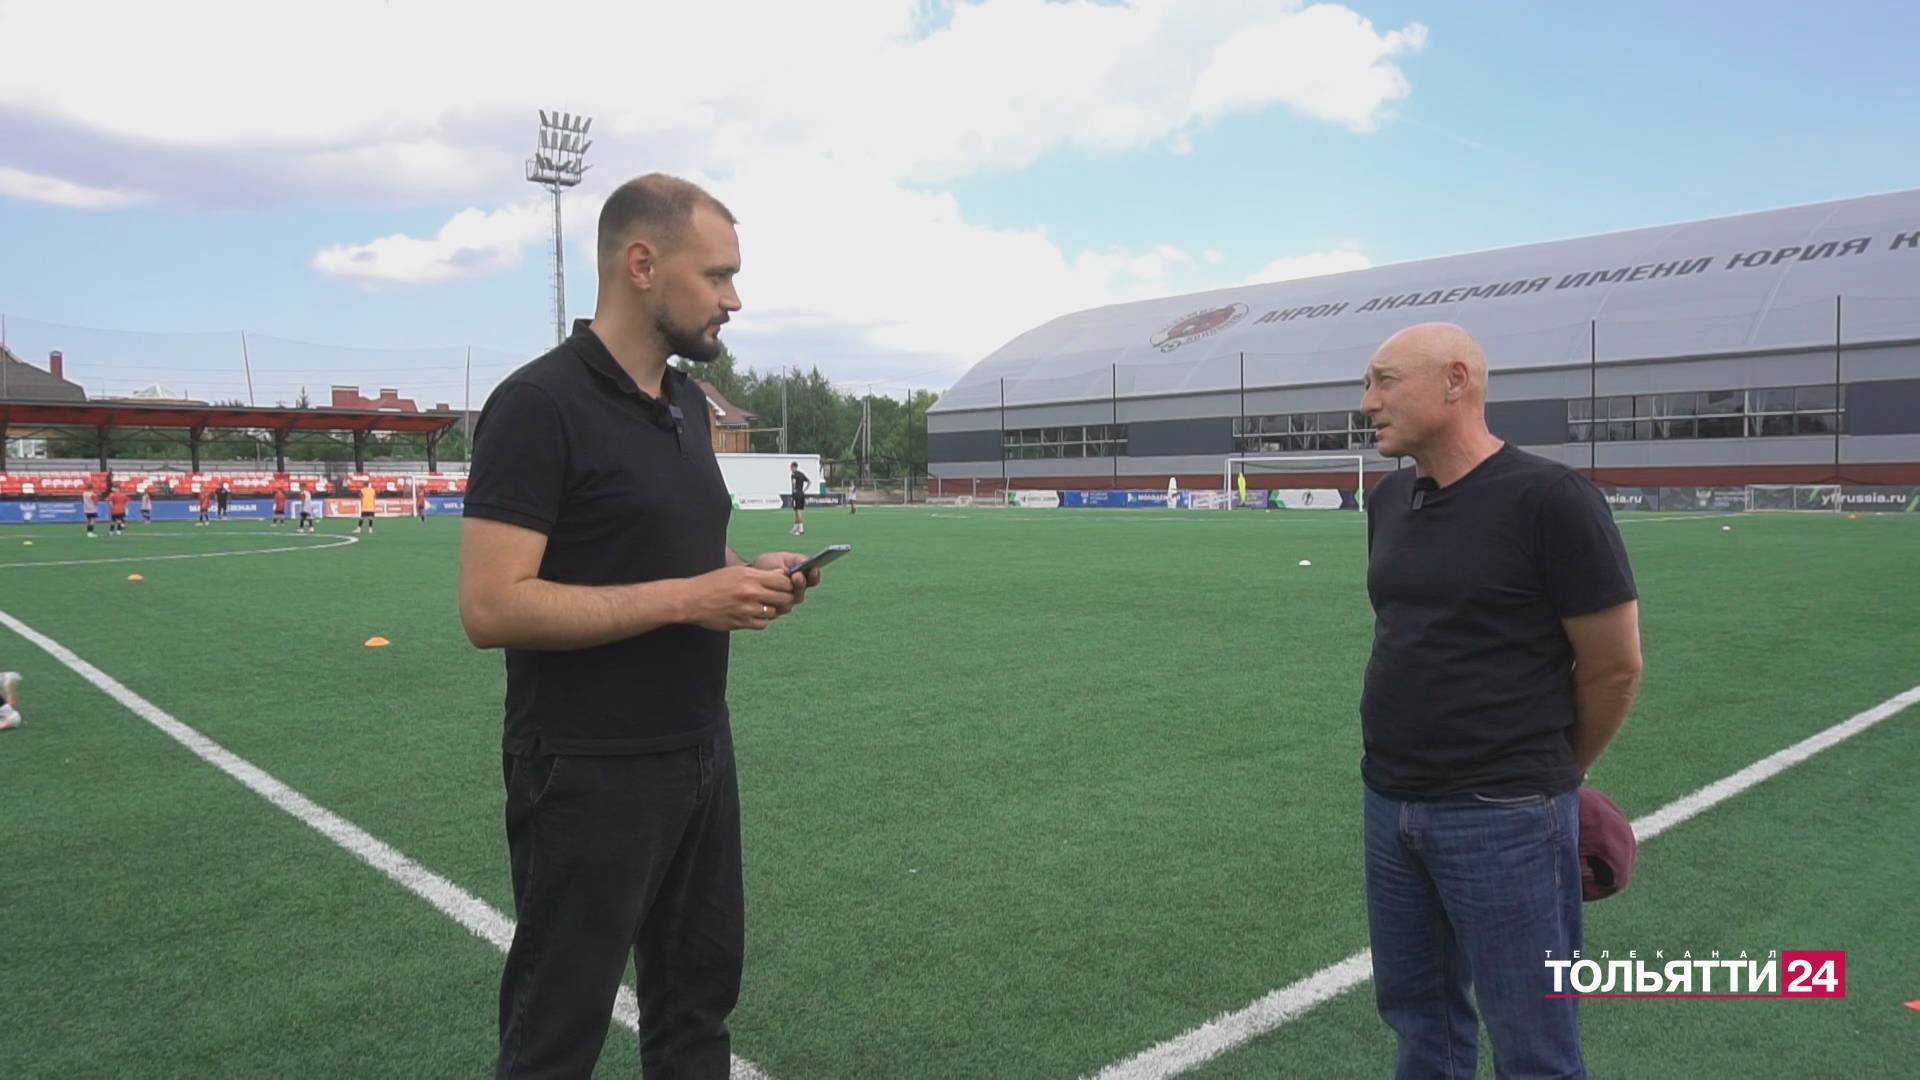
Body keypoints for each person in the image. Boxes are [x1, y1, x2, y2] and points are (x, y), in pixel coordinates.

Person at [458, 173, 822, 1079]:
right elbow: (491, 605)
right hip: (584, 768)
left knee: (696, 1011)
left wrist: (747, 574)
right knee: (556, 1032)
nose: (734, 300)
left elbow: (683, 549)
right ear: (642, 264)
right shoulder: (538, 405)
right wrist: (691, 598)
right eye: (718, 275)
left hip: (700, 750)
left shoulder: (688, 405)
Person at [1356, 323, 1643, 1080]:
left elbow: (1615, 665)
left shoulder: (1551, 499)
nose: (1369, 403)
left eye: (1385, 381)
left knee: (1534, 1045)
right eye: (1368, 385)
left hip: (1503, 815)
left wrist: (1554, 771)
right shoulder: (1390, 499)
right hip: (1390, 802)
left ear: (1457, 381)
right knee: (1421, 1025)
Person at [789, 461, 809, 536]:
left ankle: (801, 530)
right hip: (801, 494)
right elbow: (809, 482)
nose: (791, 469)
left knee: (798, 511)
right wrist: (804, 490)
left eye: (791, 467)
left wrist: (794, 490)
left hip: (797, 494)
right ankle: (795, 528)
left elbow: (793, 483)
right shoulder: (801, 474)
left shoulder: (793, 474)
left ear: (794, 467)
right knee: (796, 511)